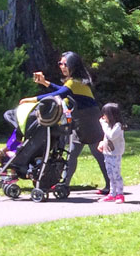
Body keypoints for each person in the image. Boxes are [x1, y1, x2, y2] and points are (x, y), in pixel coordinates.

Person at [33, 51, 110, 196]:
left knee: (98, 153)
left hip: (89, 121)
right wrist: (44, 83)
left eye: (65, 64)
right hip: (80, 121)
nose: (62, 67)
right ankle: (64, 184)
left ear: (73, 65)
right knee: (72, 154)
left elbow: (60, 93)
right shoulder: (74, 82)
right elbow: (62, 90)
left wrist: (33, 99)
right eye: (60, 64)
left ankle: (111, 184)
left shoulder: (75, 82)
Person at [97, 102, 126, 203]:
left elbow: (111, 136)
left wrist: (103, 124)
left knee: (116, 174)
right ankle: (112, 193)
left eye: (105, 114)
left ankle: (120, 194)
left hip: (115, 154)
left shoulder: (118, 126)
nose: (103, 116)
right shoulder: (108, 125)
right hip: (107, 153)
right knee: (110, 174)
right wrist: (102, 143)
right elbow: (106, 138)